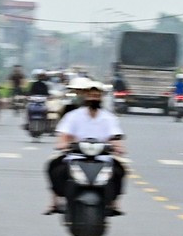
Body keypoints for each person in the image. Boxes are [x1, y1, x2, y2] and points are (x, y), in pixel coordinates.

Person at [45, 78, 126, 215]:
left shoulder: (109, 118)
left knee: (120, 170)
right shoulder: (73, 116)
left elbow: (115, 136)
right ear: (85, 96)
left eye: (97, 95)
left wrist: (118, 147)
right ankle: (55, 201)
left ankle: (114, 202)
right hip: (75, 154)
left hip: (103, 156)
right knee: (53, 166)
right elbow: (64, 134)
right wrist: (63, 143)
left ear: (101, 98)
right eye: (91, 95)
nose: (93, 98)